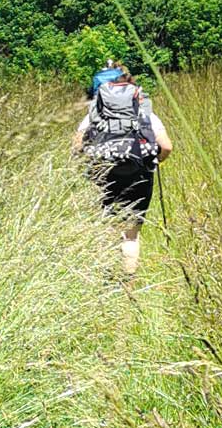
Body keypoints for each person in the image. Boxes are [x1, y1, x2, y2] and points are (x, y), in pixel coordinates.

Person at [73, 61, 172, 274]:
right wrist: (153, 162)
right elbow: (166, 147)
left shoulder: (93, 115)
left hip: (102, 174)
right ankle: (128, 283)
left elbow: (77, 148)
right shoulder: (145, 113)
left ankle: (105, 280)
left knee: (105, 228)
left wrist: (91, 164)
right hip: (139, 174)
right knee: (131, 235)